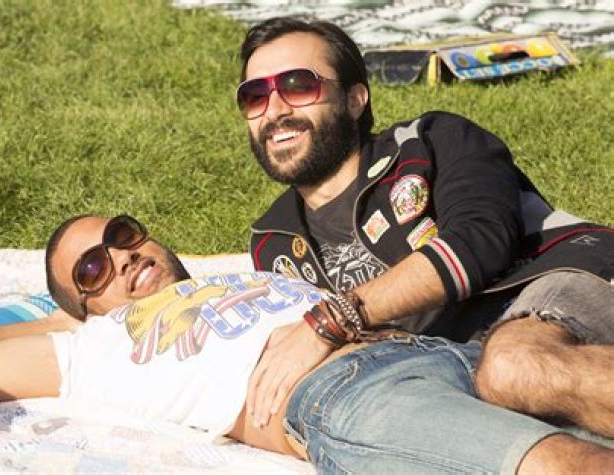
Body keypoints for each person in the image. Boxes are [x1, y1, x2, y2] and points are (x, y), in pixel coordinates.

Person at [0, 214, 612, 473]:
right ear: (81, 304)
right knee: (565, 464)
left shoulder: (247, 269)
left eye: (122, 234)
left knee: (550, 377)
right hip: (349, 394)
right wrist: (59, 320)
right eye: (92, 270)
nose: (121, 257)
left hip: (443, 351)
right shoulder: (93, 346)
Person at [239, 17, 614, 438]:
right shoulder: (272, 242)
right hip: (467, 364)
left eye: (298, 86)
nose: (275, 110)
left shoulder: (429, 141)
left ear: (354, 99)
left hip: (557, 278)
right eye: (255, 97)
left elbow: (478, 243)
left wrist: (334, 319)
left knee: (516, 365)